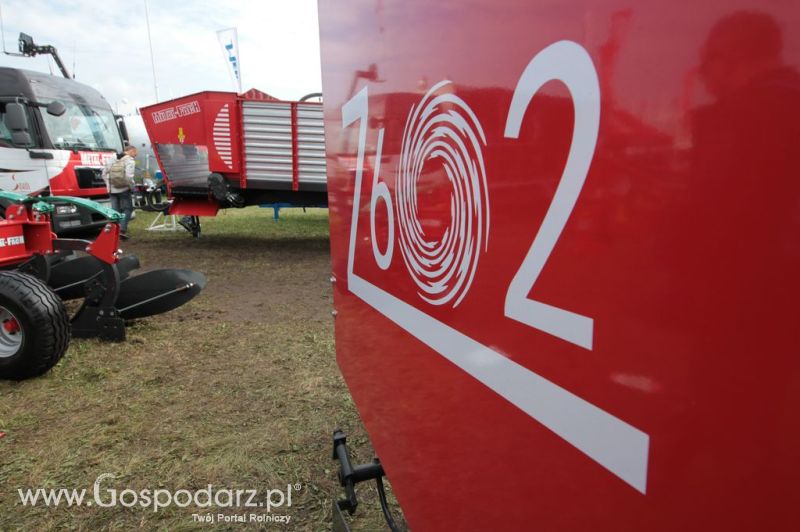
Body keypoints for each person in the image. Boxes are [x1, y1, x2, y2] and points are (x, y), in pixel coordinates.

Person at [103, 145, 138, 239]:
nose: (136, 155)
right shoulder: (129, 160)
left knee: (115, 211)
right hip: (123, 189)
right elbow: (129, 177)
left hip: (111, 189)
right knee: (128, 209)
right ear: (131, 151)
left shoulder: (112, 157)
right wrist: (132, 187)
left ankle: (112, 233)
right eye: (135, 153)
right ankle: (122, 230)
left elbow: (104, 173)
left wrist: (108, 185)